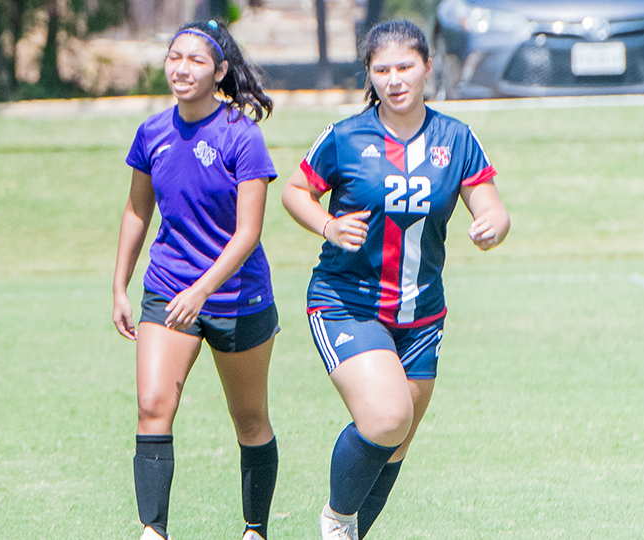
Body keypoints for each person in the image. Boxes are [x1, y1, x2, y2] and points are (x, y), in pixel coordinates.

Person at [280, 20, 509, 540]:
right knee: (385, 419)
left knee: (398, 440)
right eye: (380, 70)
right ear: (369, 75)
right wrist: (327, 224)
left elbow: (491, 204)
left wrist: (494, 224)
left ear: (427, 67)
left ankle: (353, 534)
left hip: (422, 315)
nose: (394, 79)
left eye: (404, 66)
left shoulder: (456, 137)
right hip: (346, 303)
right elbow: (296, 190)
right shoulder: (346, 137)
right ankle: (337, 521)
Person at [112, 20, 282, 540]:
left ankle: (254, 529)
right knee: (152, 405)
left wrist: (203, 290)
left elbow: (248, 233)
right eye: (174, 57)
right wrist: (120, 285)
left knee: (249, 418)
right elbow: (138, 211)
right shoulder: (152, 133)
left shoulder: (241, 134)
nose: (181, 69)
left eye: (196, 60)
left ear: (221, 71)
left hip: (235, 295)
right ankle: (153, 531)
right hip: (168, 287)